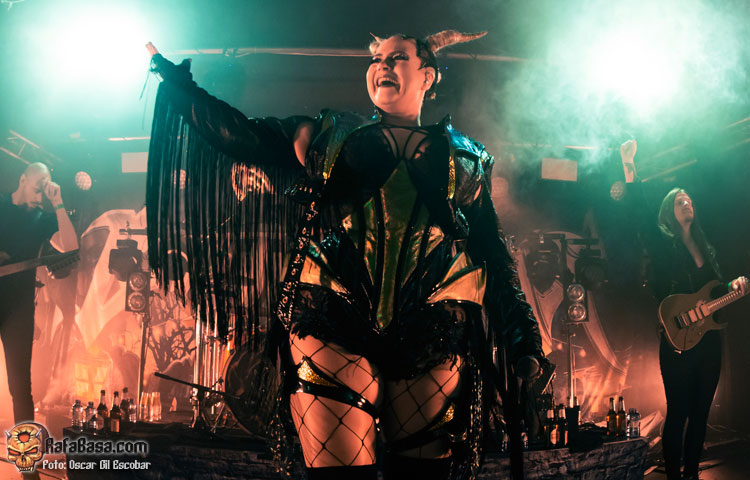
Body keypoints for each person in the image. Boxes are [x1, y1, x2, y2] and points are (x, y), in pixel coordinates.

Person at [145, 31, 546, 480]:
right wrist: (177, 83)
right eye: (376, 58)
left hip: (428, 326)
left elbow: (493, 255)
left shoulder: (465, 158)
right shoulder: (327, 134)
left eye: (397, 57)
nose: (382, 65)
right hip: (334, 313)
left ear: (428, 76)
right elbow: (241, 136)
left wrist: (524, 339)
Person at [620, 140, 748, 480]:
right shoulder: (663, 244)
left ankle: (691, 474)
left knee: (701, 414)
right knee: (678, 413)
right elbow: (638, 215)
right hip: (677, 339)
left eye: (689, 200)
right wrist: (629, 166)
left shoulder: (707, 247)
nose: (687, 203)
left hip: (709, 341)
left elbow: (716, 290)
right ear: (668, 212)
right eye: (680, 201)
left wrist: (735, 284)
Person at [0, 162, 78, 424]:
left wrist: (58, 203)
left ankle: (25, 450)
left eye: (45, 189)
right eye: (38, 186)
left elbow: (71, 246)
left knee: (20, 386)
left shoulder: (42, 218)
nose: (41, 193)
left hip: (19, 309)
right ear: (23, 179)